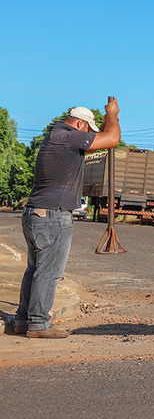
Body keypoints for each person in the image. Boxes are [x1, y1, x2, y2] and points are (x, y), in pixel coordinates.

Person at [12, 100, 121, 338]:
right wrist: (112, 113)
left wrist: (105, 119)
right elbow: (112, 139)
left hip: (37, 213)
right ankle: (38, 324)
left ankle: (23, 321)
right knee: (48, 271)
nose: (88, 137)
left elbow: (103, 136)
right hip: (53, 215)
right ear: (80, 124)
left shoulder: (57, 137)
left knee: (35, 269)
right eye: (88, 131)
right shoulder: (69, 137)